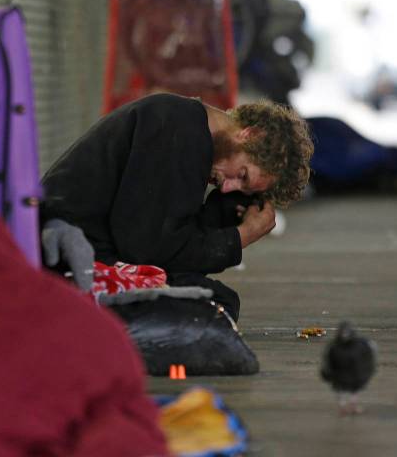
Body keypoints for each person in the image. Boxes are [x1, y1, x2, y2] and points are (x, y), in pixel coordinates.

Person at [40, 92, 313, 320]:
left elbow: (162, 242)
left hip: (85, 260)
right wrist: (239, 238)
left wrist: (222, 214)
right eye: (241, 175)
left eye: (241, 189)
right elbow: (149, 251)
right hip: (65, 263)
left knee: (213, 302)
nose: (227, 187)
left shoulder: (188, 130)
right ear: (249, 134)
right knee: (212, 307)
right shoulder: (180, 130)